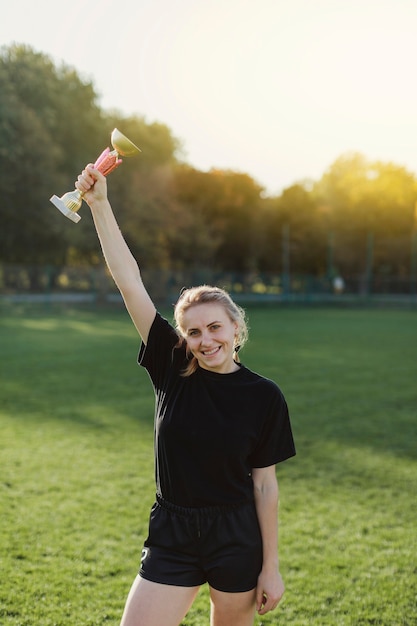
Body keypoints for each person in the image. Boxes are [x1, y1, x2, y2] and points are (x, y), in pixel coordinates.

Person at [75, 164, 296, 626]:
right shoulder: (172, 367)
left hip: (236, 535)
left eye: (215, 327)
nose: (205, 339)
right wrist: (99, 204)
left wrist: (270, 567)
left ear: (236, 329)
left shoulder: (264, 397)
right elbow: (128, 279)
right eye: (193, 331)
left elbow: (265, 485)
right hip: (172, 532)